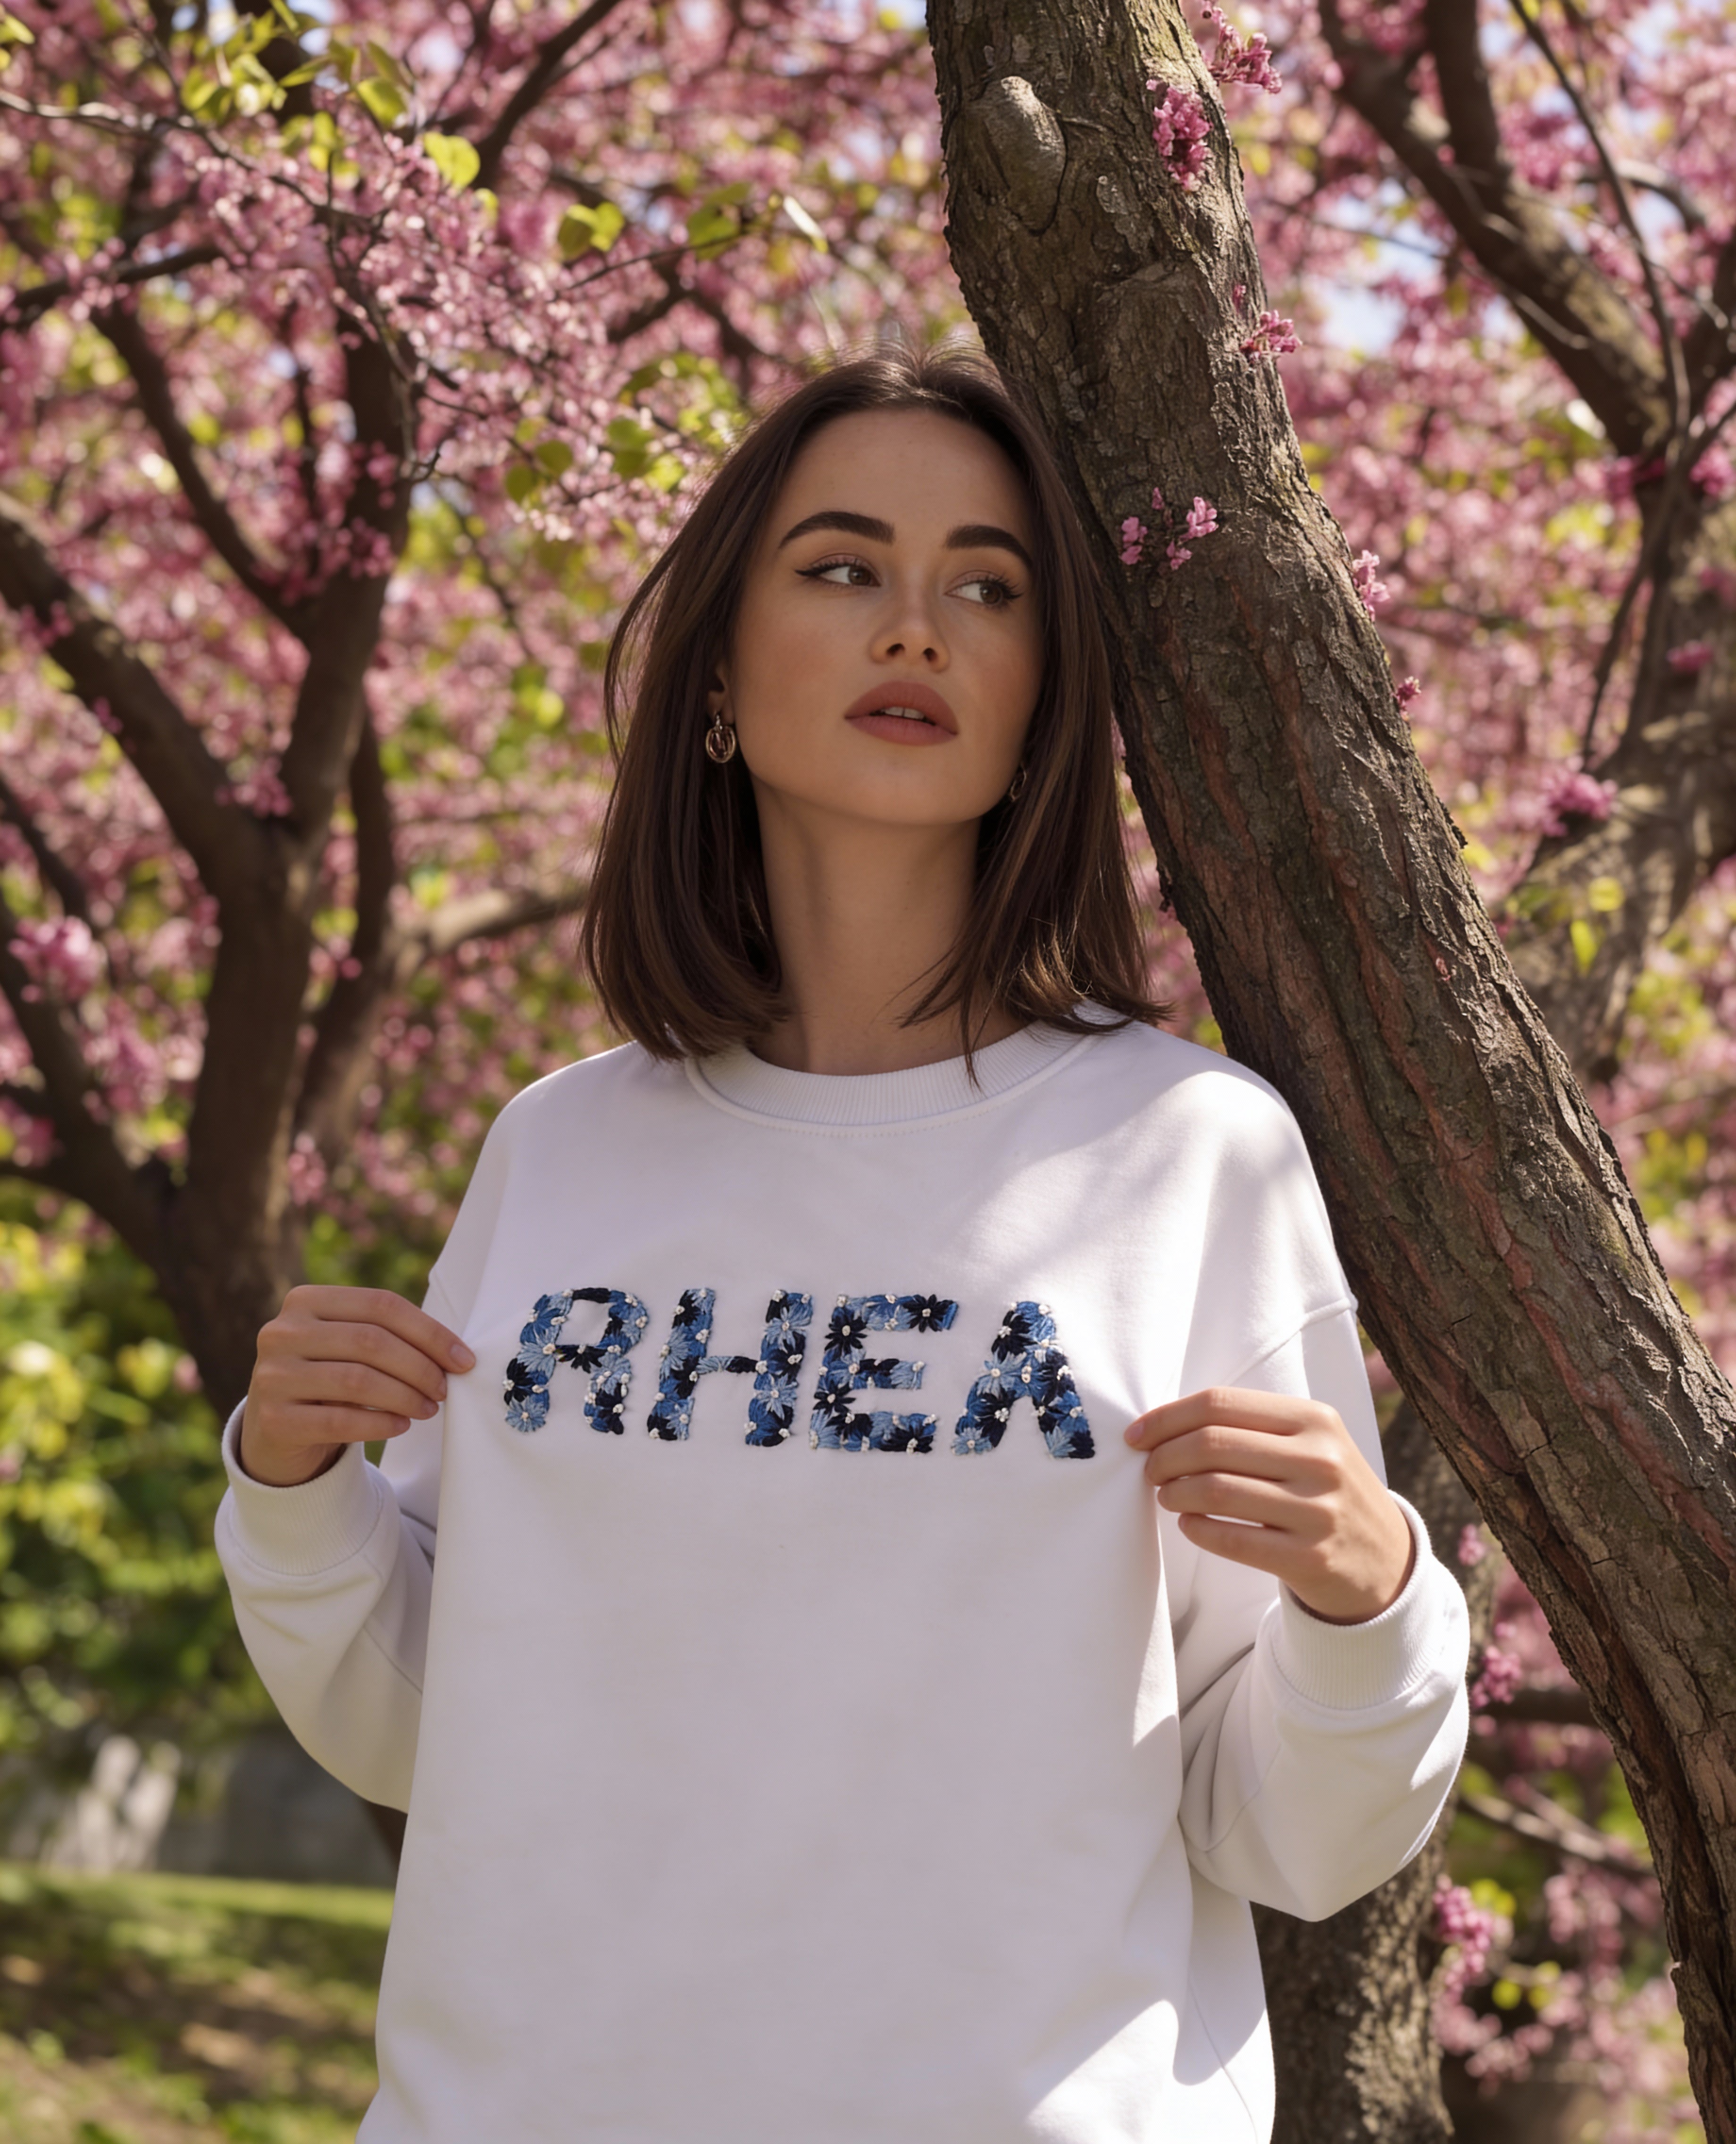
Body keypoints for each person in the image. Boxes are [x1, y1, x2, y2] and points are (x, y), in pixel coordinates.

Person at [217, 344, 1469, 2144]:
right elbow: (428, 1724)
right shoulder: (565, 1147)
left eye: (987, 585)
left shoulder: (1185, 1155)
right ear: (718, 673)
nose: (917, 628)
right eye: (841, 567)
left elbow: (1278, 1828)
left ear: (1046, 696)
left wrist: (1367, 1604)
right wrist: (291, 1488)